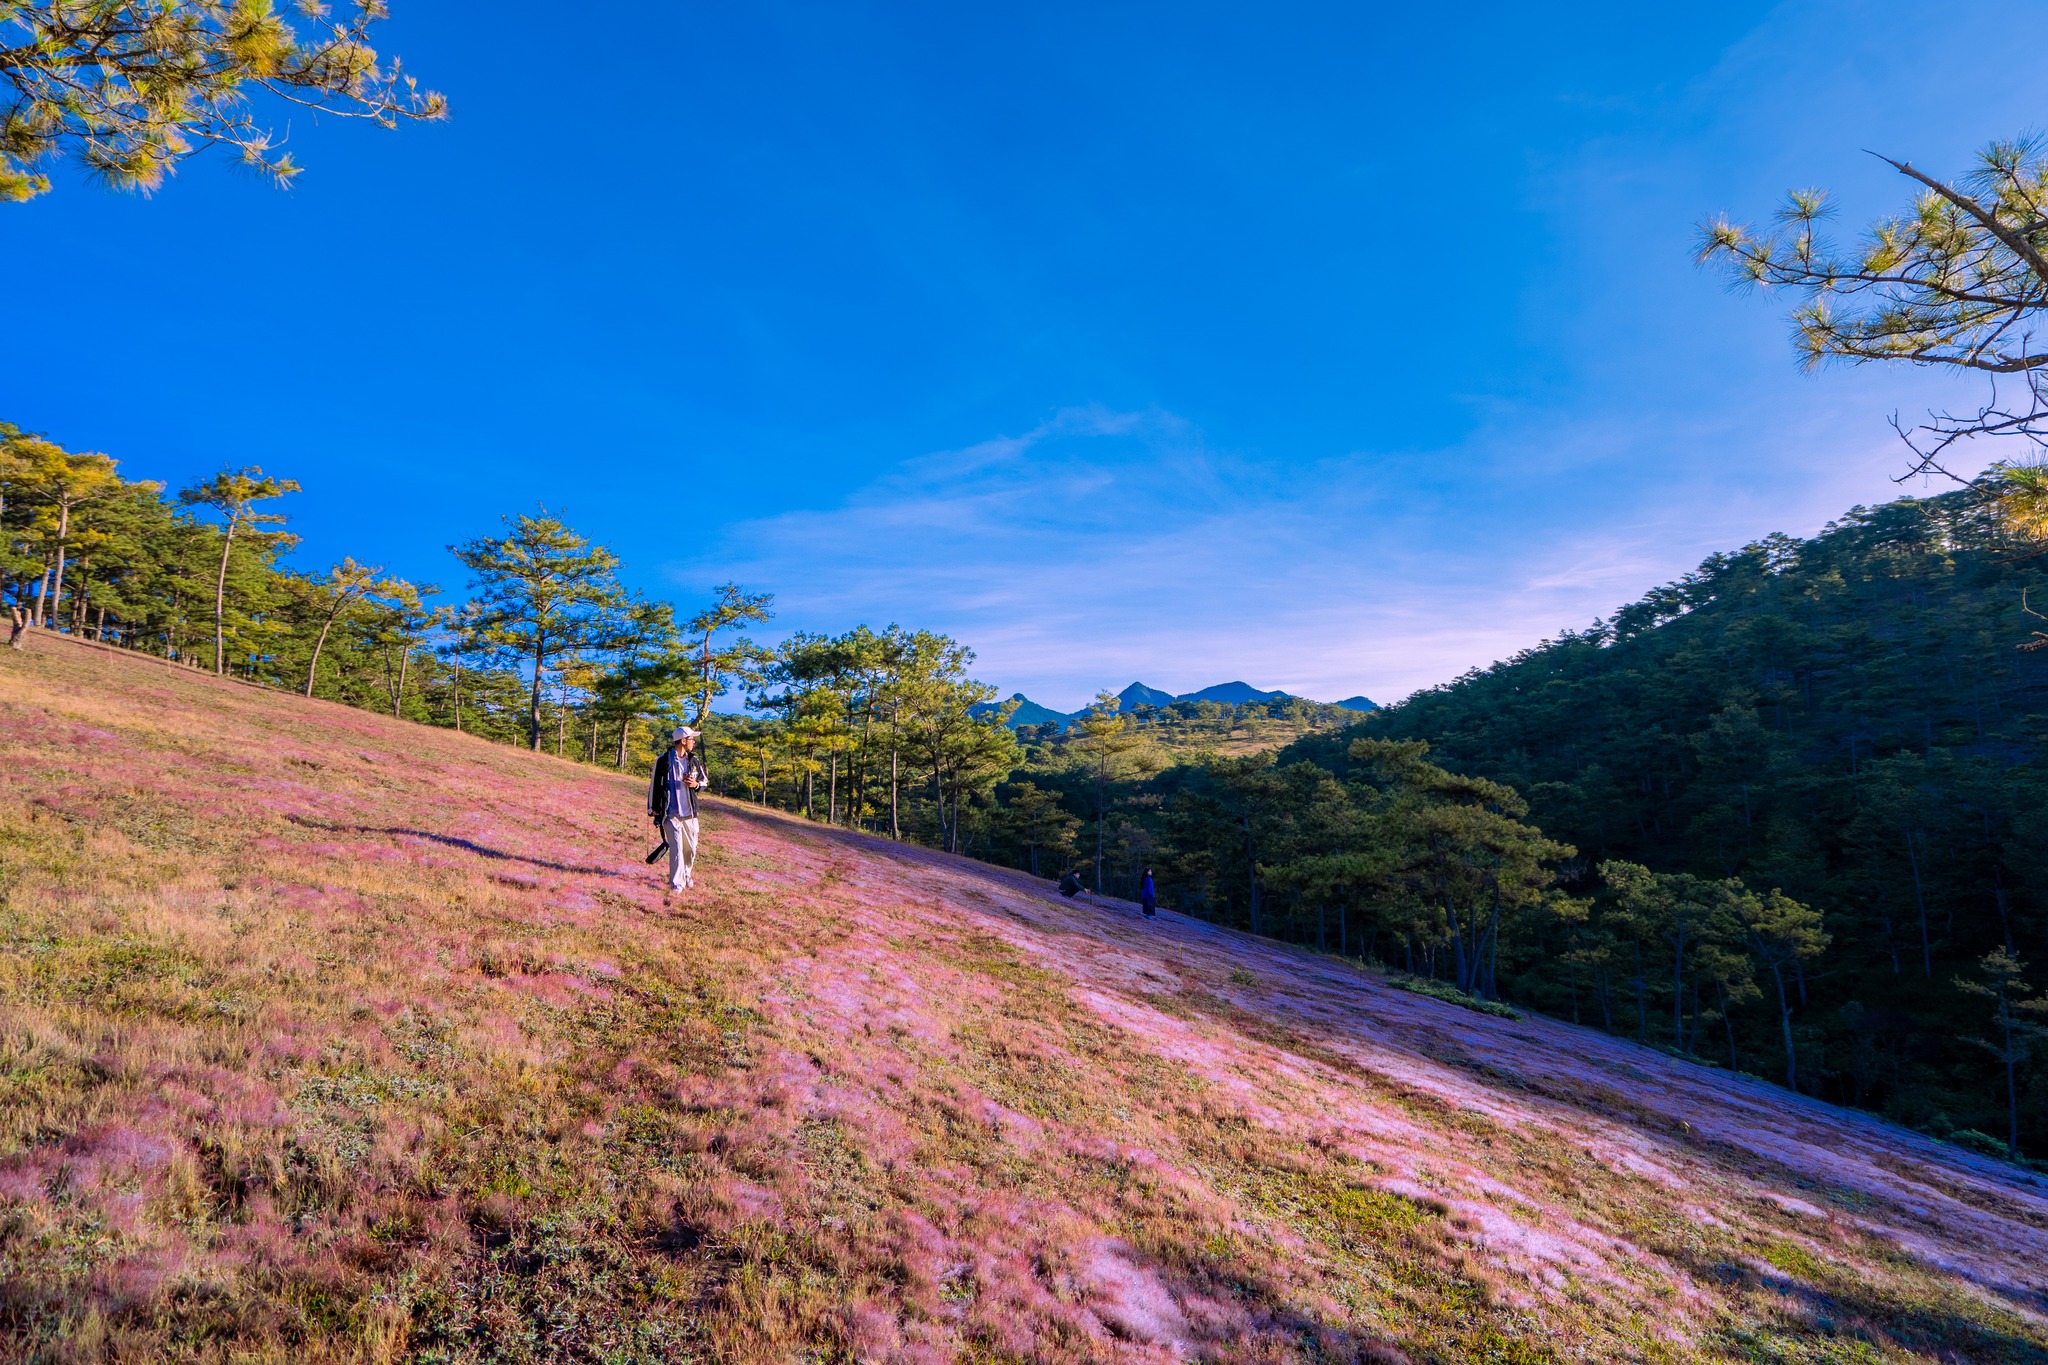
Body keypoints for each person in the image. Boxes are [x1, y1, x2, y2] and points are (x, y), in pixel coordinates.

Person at [648, 725, 709, 892]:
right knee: (677, 850)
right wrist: (652, 808)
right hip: (670, 813)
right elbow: (654, 785)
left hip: (690, 813)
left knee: (690, 849)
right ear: (683, 741)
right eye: (691, 739)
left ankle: (687, 874)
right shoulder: (663, 761)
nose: (693, 742)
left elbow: (704, 781)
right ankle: (677, 885)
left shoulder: (693, 760)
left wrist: (696, 785)